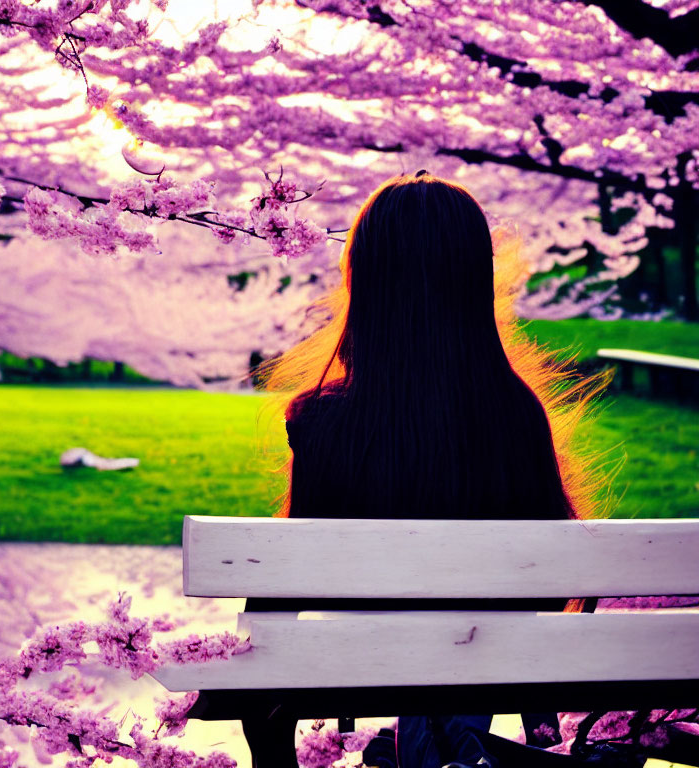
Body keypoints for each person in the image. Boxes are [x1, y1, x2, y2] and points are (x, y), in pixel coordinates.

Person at [244, 172, 611, 767]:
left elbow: (283, 600)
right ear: (474, 281)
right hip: (489, 672)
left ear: (364, 281)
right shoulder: (517, 415)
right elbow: (550, 583)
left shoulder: (322, 421)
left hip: (369, 670)